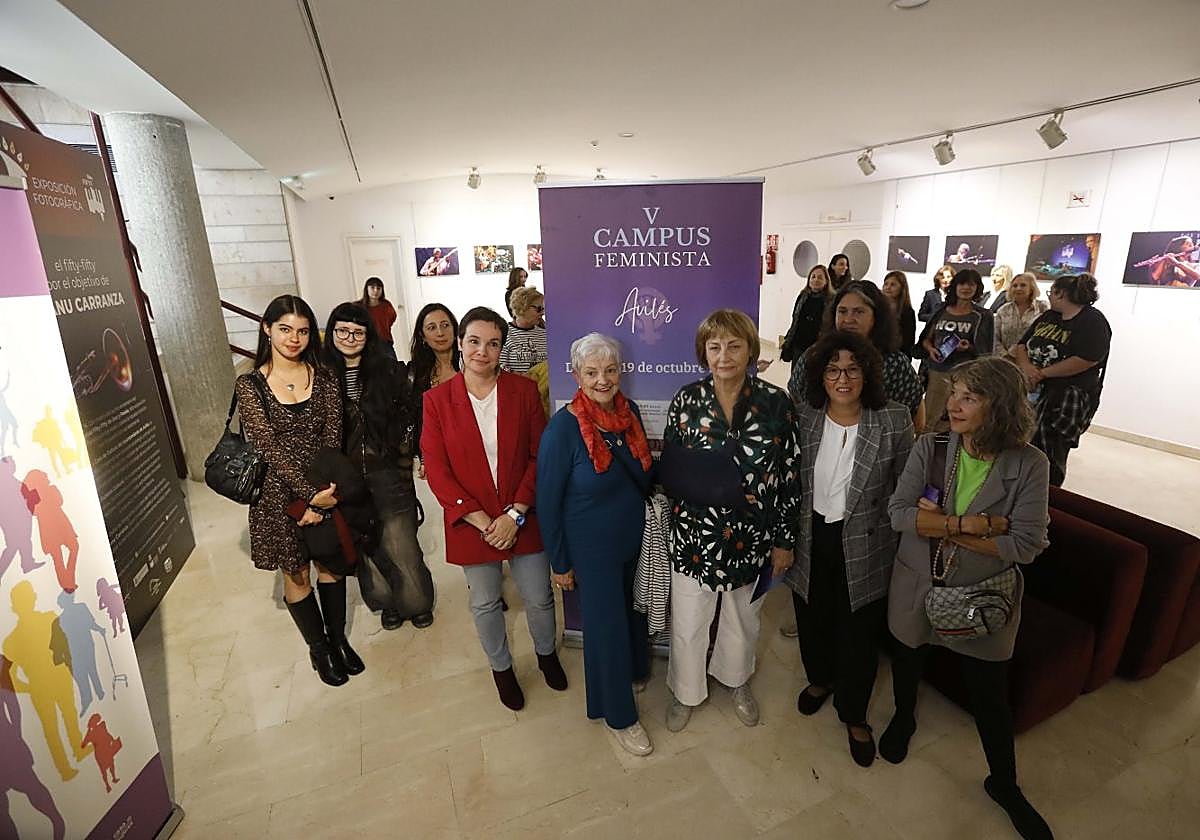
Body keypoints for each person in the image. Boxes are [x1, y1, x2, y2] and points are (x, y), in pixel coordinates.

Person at [882, 356, 1053, 840]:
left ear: (998, 406)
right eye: (953, 392)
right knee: (908, 656)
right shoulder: (932, 447)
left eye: (968, 397)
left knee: (989, 695)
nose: (952, 404)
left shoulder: (1029, 465)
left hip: (981, 594)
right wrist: (975, 525)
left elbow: (1025, 545)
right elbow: (898, 514)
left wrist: (937, 525)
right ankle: (903, 717)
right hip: (917, 582)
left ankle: (1004, 783)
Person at [421, 307, 566, 710]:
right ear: (461, 343)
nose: (482, 351)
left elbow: (540, 456)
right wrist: (486, 522)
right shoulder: (436, 400)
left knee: (538, 596)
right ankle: (501, 669)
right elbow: (437, 469)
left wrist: (515, 513)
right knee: (484, 601)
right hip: (472, 520)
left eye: (493, 343)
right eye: (474, 341)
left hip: (522, 511)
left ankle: (546, 654)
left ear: (503, 348)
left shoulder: (522, 392)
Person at [664, 310, 797, 732]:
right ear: (704, 352)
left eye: (734, 345)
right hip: (694, 535)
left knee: (744, 618)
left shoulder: (776, 403)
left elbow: (790, 473)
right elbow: (671, 468)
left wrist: (784, 539)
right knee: (688, 620)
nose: (724, 355)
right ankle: (685, 691)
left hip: (753, 534)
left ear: (750, 350)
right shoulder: (686, 400)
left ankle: (736, 680)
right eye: (715, 346)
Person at [785, 331, 913, 767]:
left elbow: (902, 490)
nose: (842, 378)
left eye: (852, 369)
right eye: (833, 369)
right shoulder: (803, 416)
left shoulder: (894, 419)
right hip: (811, 534)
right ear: (820, 376)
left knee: (859, 631)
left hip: (867, 541)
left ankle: (854, 713)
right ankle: (820, 680)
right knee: (812, 614)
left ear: (867, 374)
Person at [536, 333, 654, 756]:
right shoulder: (562, 429)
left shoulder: (631, 412)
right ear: (575, 375)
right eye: (592, 372)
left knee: (634, 612)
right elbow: (547, 503)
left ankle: (634, 671)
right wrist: (560, 562)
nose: (603, 380)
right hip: (592, 549)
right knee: (605, 630)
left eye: (610, 370)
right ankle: (619, 716)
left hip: (635, 539)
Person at [236, 294, 360, 687]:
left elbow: (333, 437)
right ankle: (319, 650)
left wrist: (324, 498)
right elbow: (266, 446)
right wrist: (307, 498)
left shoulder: (323, 377)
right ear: (267, 329)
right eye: (285, 329)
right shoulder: (250, 384)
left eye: (303, 331)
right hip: (277, 498)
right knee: (298, 575)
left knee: (331, 566)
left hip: (325, 490)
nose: (294, 339)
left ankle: (338, 640)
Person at [324, 303, 435, 631]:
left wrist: (410, 459)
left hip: (386, 470)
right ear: (332, 333)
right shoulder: (322, 374)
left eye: (358, 332)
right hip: (344, 476)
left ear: (368, 335)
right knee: (366, 544)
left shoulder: (386, 370)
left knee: (400, 539)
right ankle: (386, 602)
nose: (350, 338)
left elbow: (407, 419)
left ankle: (416, 602)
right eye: (342, 330)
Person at [1012, 274, 1111, 487]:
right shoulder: (1049, 316)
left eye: (1052, 293)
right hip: (1031, 392)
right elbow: (1021, 345)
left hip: (1063, 399)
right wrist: (1028, 369)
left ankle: (1047, 494)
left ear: (1061, 293)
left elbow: (1088, 358)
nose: (1050, 297)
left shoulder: (1092, 321)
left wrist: (1043, 374)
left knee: (1050, 452)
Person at [788, 282, 923, 420]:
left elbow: (914, 413)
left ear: (876, 317)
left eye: (859, 312)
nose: (848, 319)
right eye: (842, 311)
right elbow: (795, 399)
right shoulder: (815, 355)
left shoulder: (895, 364)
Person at [919, 269, 995, 432]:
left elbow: (986, 350)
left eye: (971, 284)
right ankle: (925, 451)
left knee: (960, 417)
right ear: (955, 286)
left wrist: (969, 347)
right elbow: (926, 339)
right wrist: (931, 349)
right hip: (938, 371)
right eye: (962, 283)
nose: (966, 288)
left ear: (977, 288)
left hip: (966, 374)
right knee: (931, 418)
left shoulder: (982, 315)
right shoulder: (941, 310)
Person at [408, 303, 460, 481]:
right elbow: (418, 420)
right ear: (423, 336)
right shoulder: (417, 374)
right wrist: (424, 457)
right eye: (432, 327)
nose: (440, 333)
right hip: (441, 455)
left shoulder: (472, 364)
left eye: (445, 325)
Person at [780, 265, 832, 364]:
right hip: (799, 346)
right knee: (796, 376)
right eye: (813, 277)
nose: (816, 280)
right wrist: (788, 341)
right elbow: (795, 321)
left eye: (820, 277)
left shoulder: (830, 301)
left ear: (826, 281)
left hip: (818, 348)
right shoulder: (802, 297)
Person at [993, 273, 1048, 358]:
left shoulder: (1043, 308)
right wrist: (1006, 356)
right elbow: (995, 338)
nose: (1018, 288)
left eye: (1023, 285)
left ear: (1031, 288)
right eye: (1014, 286)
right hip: (1006, 361)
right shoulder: (1003, 310)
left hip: (1033, 361)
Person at [500, 286, 547, 374]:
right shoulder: (504, 334)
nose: (543, 313)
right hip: (516, 385)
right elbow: (498, 366)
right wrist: (519, 376)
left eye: (544, 309)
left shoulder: (545, 335)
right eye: (539, 309)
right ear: (522, 307)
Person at [360, 277, 398, 360]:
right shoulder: (359, 306)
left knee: (393, 366)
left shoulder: (386, 305)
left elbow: (392, 318)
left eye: (378, 288)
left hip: (385, 341)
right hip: (366, 343)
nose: (375, 291)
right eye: (372, 288)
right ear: (367, 289)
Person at [881, 270, 917, 352]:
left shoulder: (907, 312)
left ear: (902, 288)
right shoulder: (877, 307)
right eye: (886, 284)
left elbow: (909, 341)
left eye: (893, 285)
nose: (888, 287)